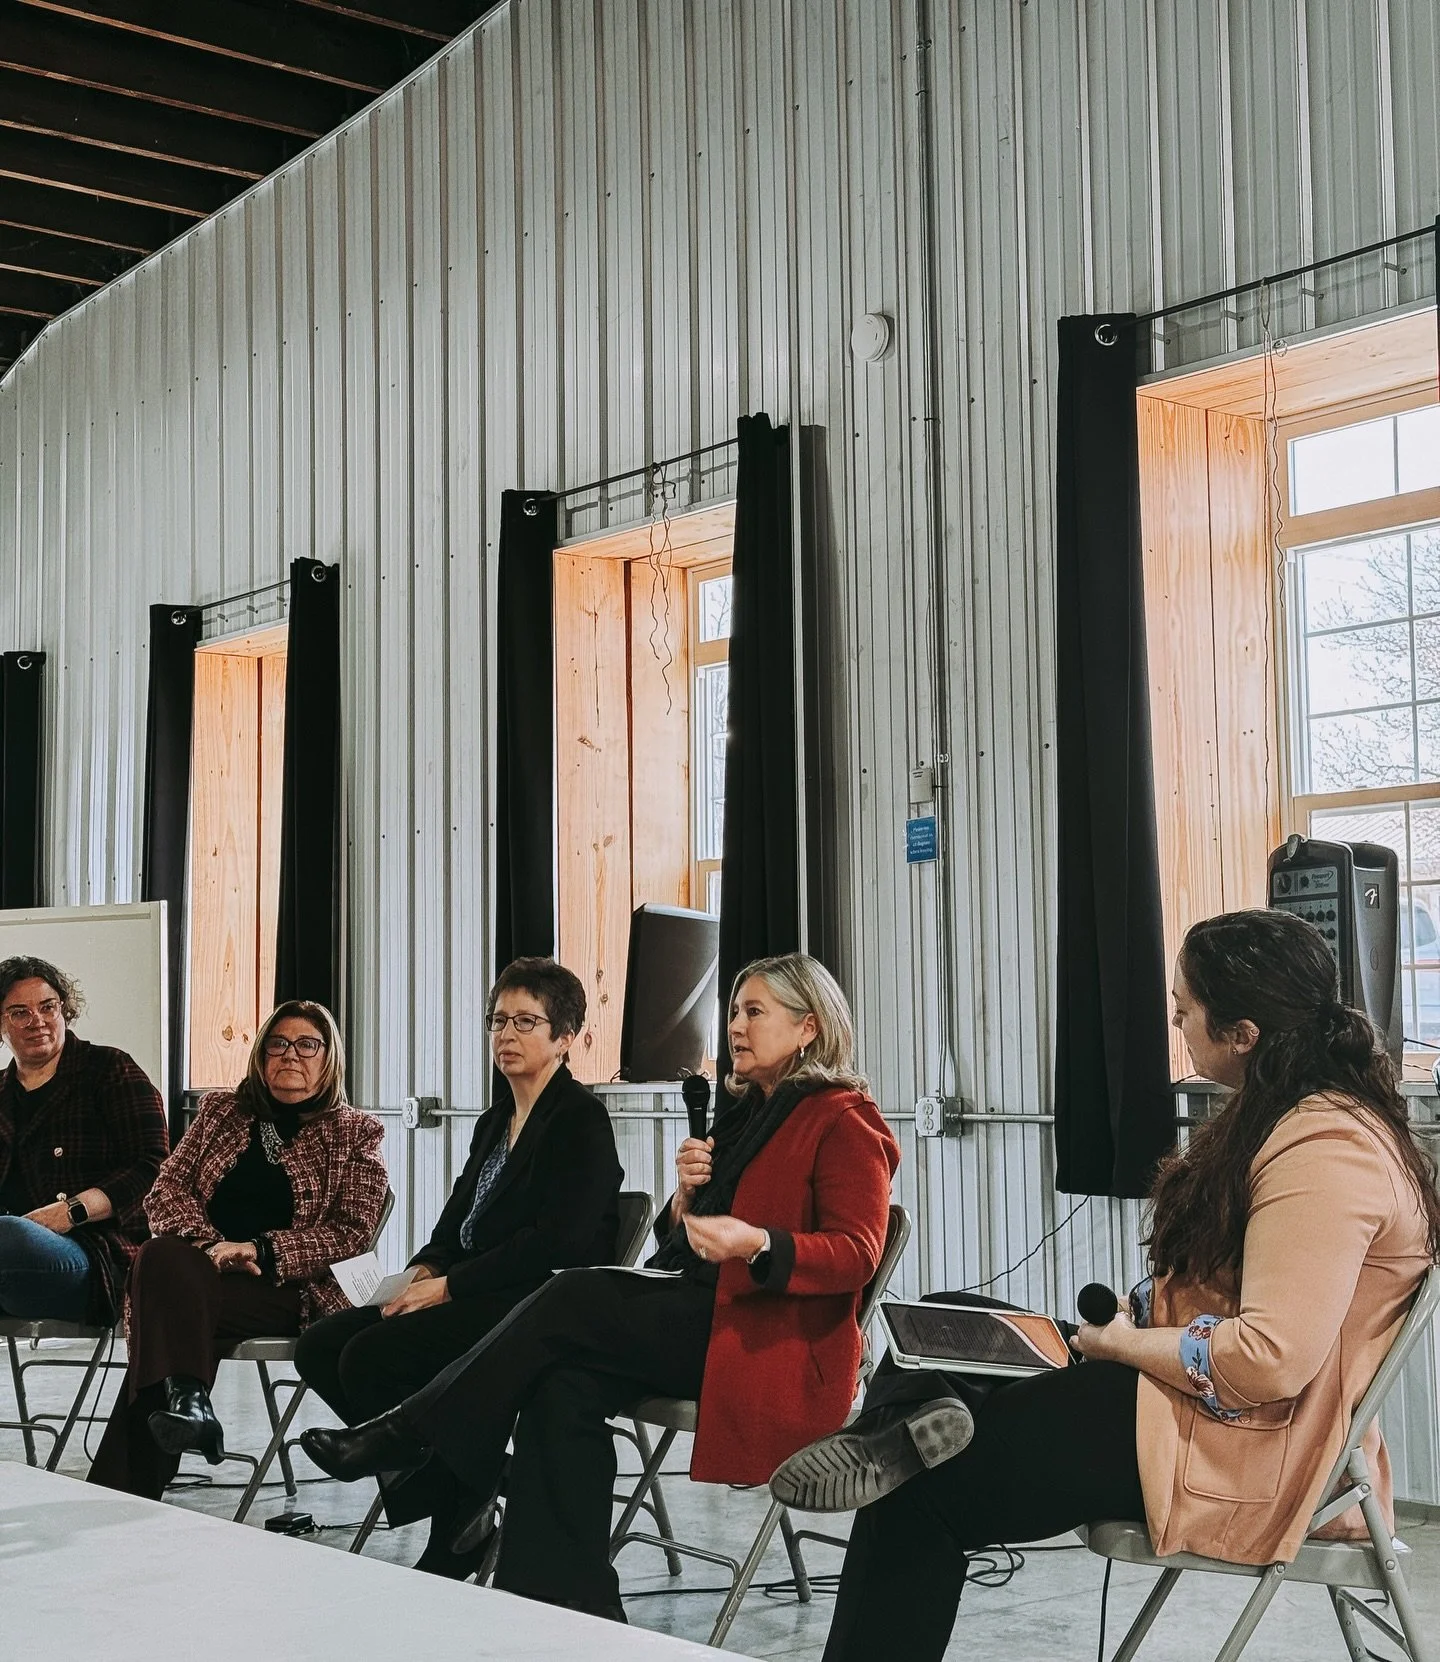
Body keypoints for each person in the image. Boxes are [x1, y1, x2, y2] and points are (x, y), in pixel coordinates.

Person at [769, 909, 1440, 1662]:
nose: (1177, 1018)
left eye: (1186, 1006)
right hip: (1206, 1411)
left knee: (920, 1496)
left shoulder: (1327, 1150)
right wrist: (1142, 1321)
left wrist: (1128, 1343)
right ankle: (888, 1436)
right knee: (950, 1324)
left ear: (1245, 1032)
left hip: (1245, 1446)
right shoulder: (1293, 1117)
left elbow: (1268, 1361)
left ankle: (896, 1445)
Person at [301, 952, 899, 1619]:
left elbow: (856, 1253)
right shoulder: (746, 1116)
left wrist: (758, 1243)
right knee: (562, 1387)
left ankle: (415, 1433)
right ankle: (564, 1601)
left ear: (808, 1027)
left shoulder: (844, 1120)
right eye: (732, 1010)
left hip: (763, 1337)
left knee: (575, 1292)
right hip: (702, 1311)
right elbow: (689, 1244)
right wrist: (685, 1203)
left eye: (753, 1011)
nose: (735, 1026)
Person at [293, 957, 623, 1578]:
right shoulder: (495, 1119)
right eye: (499, 1020)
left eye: (527, 1022)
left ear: (565, 1037)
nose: (507, 1034)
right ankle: (466, 1483)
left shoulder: (580, 1118)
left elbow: (558, 1243)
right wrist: (423, 1267)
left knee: (371, 1356)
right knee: (322, 1344)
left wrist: (450, 1286)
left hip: (536, 1304)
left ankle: (459, 1506)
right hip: (474, 1289)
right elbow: (457, 1218)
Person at [87, 1000, 388, 1500]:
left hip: (289, 1290)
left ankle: (143, 1462)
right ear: (261, 1055)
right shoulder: (222, 1113)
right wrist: (211, 1248)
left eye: (307, 1045)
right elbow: (166, 1191)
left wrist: (259, 1250)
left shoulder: (356, 1132)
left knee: (167, 1308)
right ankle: (188, 1401)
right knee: (160, 1255)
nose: (291, 1055)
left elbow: (351, 1231)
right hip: (200, 1273)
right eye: (278, 1043)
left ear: (328, 1056)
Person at [0, 956, 168, 1326]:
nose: (37, 1021)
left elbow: (155, 1167)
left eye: (48, 1007)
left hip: (91, 1256)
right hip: (10, 1266)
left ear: (65, 1009)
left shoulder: (109, 1070)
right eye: (19, 1012)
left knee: (9, 1235)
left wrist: (70, 1212)